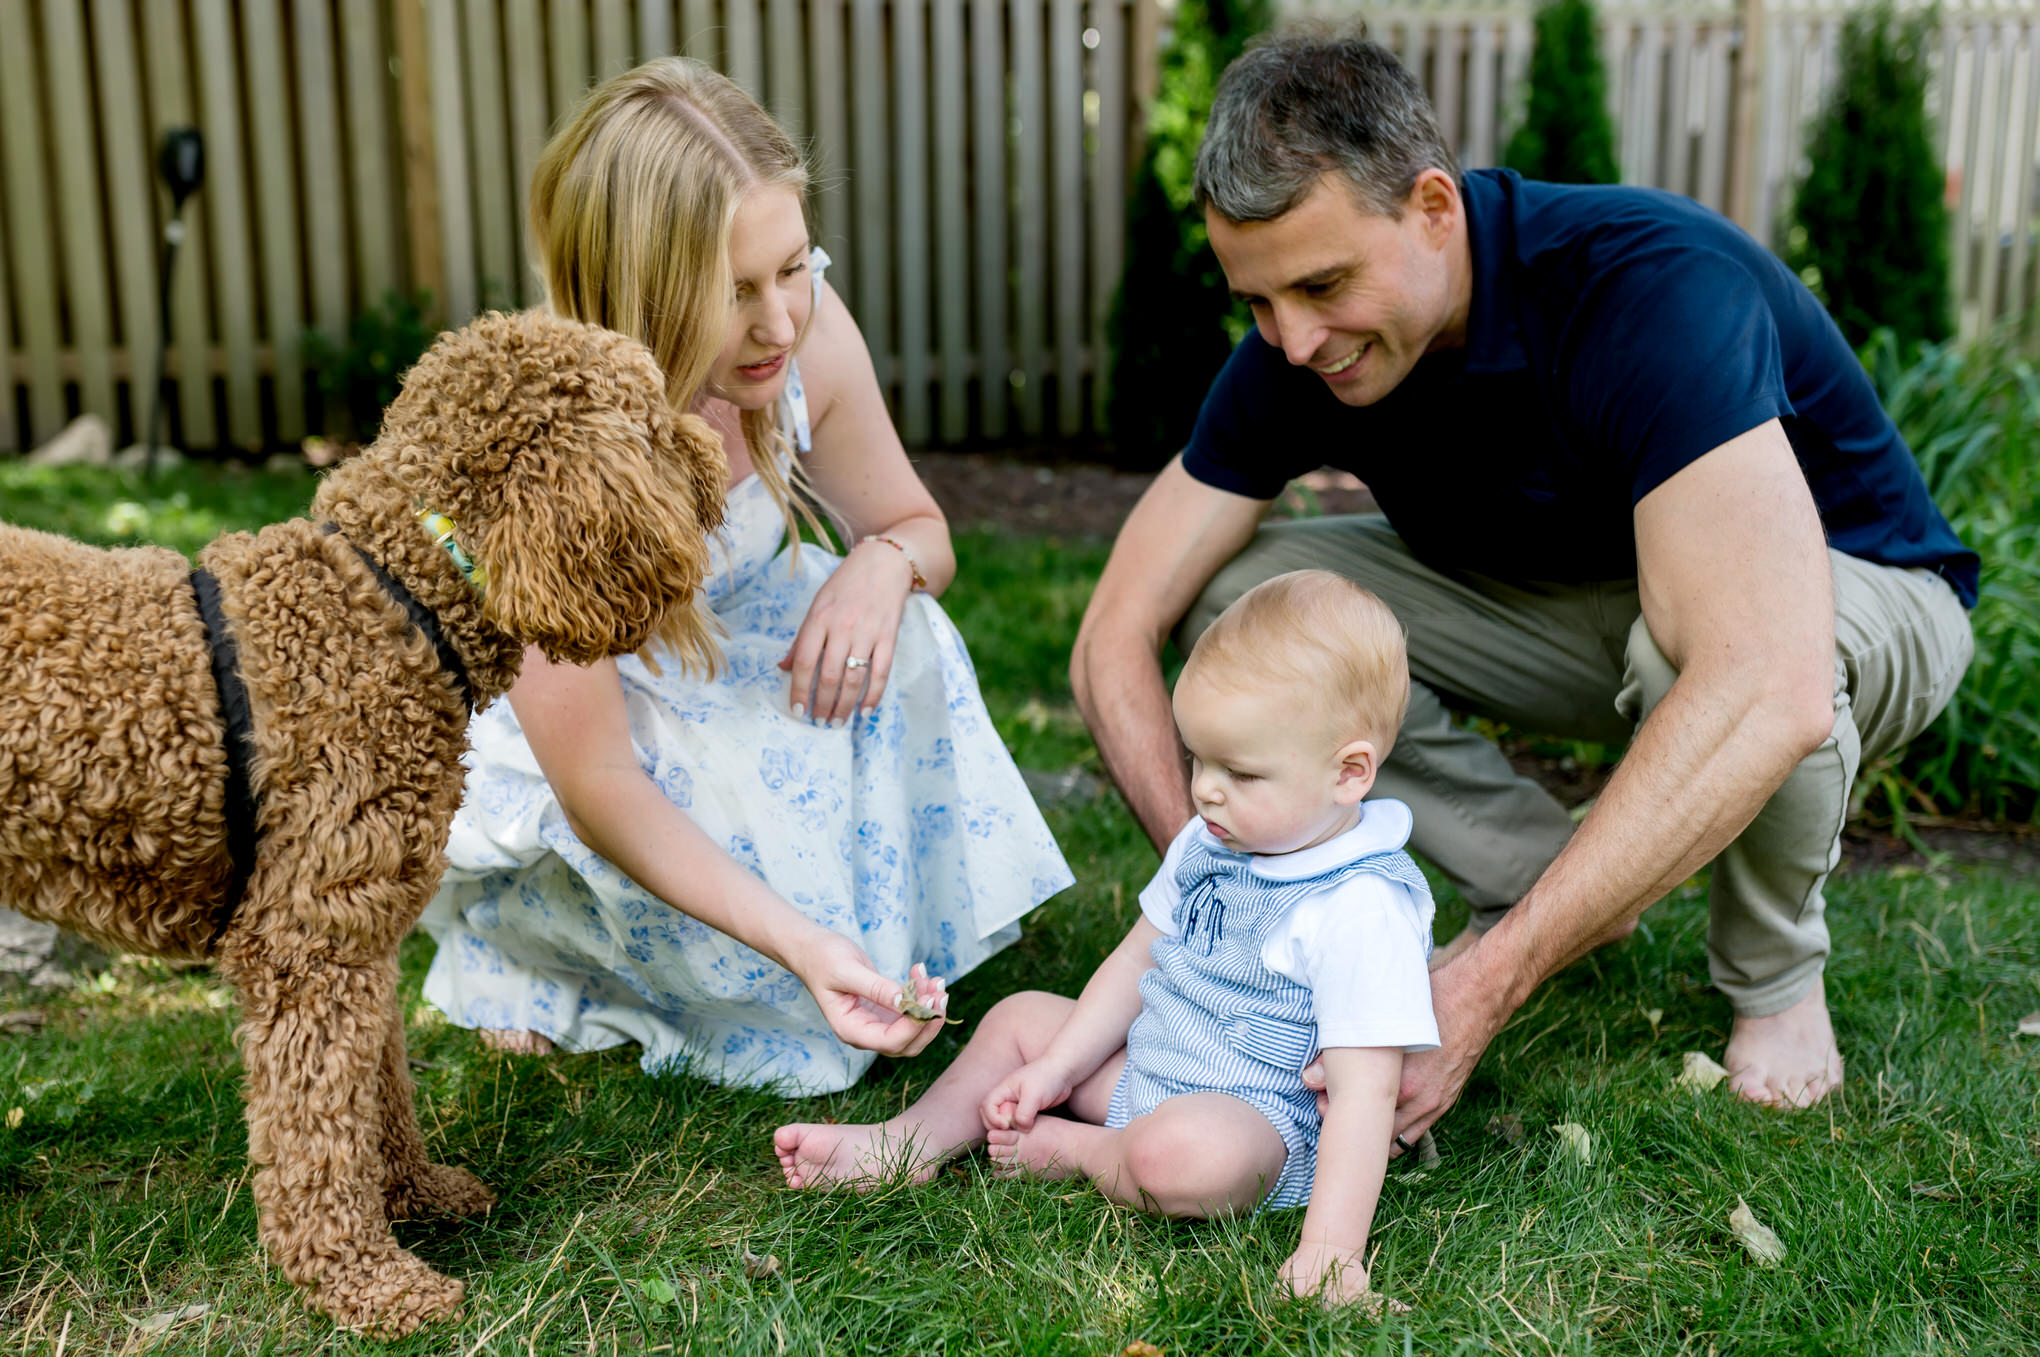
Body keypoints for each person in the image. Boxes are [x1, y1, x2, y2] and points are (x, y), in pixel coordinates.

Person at [1070, 34, 1976, 1132]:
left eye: (1322, 284)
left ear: (1435, 209)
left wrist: (1488, 983)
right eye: (1259, 302)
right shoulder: (1300, 348)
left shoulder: (1644, 286)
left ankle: (1774, 978)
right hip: (1590, 605)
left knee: (1706, 659)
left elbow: (1768, 676)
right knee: (1248, 601)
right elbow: (1118, 628)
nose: (1295, 339)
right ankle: (1536, 873)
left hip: (1859, 594)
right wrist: (1212, 895)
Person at [418, 58, 1072, 1095]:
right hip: (616, 744)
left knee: (911, 636)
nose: (780, 321)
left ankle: (852, 936)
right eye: (732, 292)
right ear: (642, 291)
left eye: (793, 265)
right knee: (721, 807)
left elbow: (917, 525)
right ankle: (556, 955)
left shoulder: (801, 331)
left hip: (743, 653)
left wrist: (880, 562)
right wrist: (799, 944)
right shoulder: (536, 450)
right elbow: (600, 785)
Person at [776, 571, 1436, 1308]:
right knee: (1023, 1015)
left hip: (1253, 1125)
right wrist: (1057, 1067)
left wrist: (1329, 1253)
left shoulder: (1360, 904)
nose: (1206, 790)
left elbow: (1365, 1087)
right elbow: (1135, 958)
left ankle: (1081, 1152)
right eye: (1198, 759)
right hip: (1152, 1065)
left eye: (1241, 771)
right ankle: (908, 1142)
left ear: (1349, 773)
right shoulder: (1213, 839)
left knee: (1183, 1153)